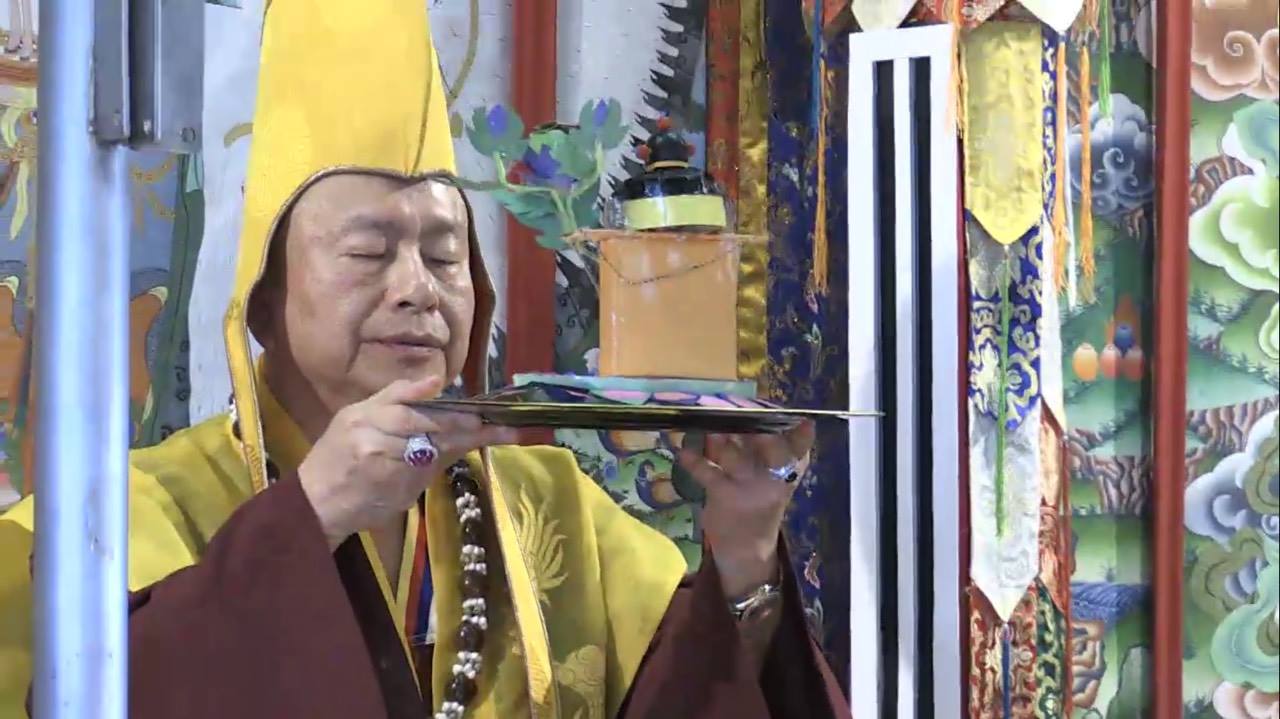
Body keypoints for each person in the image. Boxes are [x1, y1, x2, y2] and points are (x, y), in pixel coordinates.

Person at [0, 3, 850, 718]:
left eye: (445, 256)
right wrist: (313, 514)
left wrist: (743, 553)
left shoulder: (555, 506)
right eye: (369, 252)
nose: (418, 289)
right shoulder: (112, 526)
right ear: (263, 296)